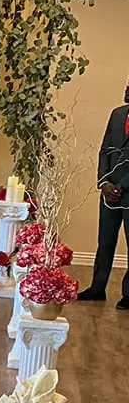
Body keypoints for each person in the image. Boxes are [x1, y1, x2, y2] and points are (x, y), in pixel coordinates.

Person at [77, 87, 129, 307]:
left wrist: (122, 186)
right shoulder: (117, 114)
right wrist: (104, 183)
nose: (126, 89)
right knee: (105, 242)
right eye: (126, 85)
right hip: (109, 191)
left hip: (126, 190)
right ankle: (97, 288)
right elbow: (104, 150)